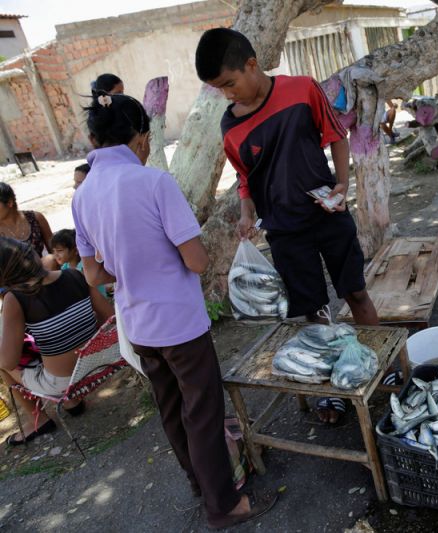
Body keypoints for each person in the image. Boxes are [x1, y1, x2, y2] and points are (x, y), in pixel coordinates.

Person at [72, 90, 274, 528]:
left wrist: (125, 268)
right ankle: (224, 505)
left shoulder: (83, 195)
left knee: (171, 409)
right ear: (142, 138)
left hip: (139, 326)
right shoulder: (154, 183)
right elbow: (196, 260)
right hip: (179, 324)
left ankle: (200, 484)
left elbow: (92, 276)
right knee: (201, 412)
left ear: (94, 139)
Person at [195, 28, 379, 425]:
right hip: (284, 231)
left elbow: (336, 134)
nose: (228, 94)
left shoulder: (301, 90)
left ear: (251, 65)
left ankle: (380, 366)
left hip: (329, 216)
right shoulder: (231, 129)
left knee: (357, 293)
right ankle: (333, 393)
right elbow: (246, 177)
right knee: (314, 312)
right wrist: (246, 212)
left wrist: (342, 183)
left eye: (229, 83)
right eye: (219, 90)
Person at [0, 238, 113, 445]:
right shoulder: (74, 274)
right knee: (44, 342)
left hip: (64, 383)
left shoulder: (15, 298)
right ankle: (72, 404)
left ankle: (38, 421)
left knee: (3, 365)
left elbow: (8, 361)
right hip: (102, 363)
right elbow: (110, 317)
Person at [50, 229, 110, 297]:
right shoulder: (65, 267)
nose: (55, 254)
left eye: (59, 250)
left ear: (76, 250)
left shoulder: (84, 268)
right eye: (54, 251)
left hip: (98, 300)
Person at [0, 182, 53, 258]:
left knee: (50, 260)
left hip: (42, 268)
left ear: (9, 203)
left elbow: (55, 251)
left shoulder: (36, 218)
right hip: (12, 270)